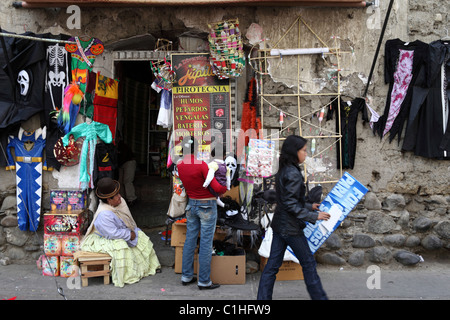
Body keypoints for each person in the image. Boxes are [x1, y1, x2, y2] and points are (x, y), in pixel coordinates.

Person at [257, 135, 330, 300]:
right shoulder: (293, 173)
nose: (305, 154)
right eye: (303, 150)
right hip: (290, 228)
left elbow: (287, 200)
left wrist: (309, 206)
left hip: (280, 226)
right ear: (294, 152)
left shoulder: (286, 170)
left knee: (272, 267)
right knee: (309, 264)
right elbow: (290, 205)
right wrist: (314, 215)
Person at [80, 177, 160, 287]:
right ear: (109, 200)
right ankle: (126, 274)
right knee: (121, 247)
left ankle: (151, 265)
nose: (120, 197)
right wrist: (128, 235)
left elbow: (127, 220)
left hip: (118, 232)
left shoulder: (118, 203)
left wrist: (132, 232)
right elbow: (112, 234)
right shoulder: (104, 214)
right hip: (105, 238)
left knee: (140, 234)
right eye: (117, 196)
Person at [177, 137, 227, 290]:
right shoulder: (201, 165)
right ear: (197, 149)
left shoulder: (180, 166)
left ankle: (186, 275)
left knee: (190, 240)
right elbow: (217, 188)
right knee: (205, 243)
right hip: (207, 205)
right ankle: (204, 281)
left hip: (191, 205)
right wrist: (225, 186)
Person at [117, 133, 138, 206]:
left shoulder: (122, 146)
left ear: (119, 138)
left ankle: (131, 199)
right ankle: (122, 199)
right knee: (120, 182)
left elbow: (124, 156)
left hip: (129, 162)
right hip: (122, 163)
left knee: (127, 181)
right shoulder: (115, 145)